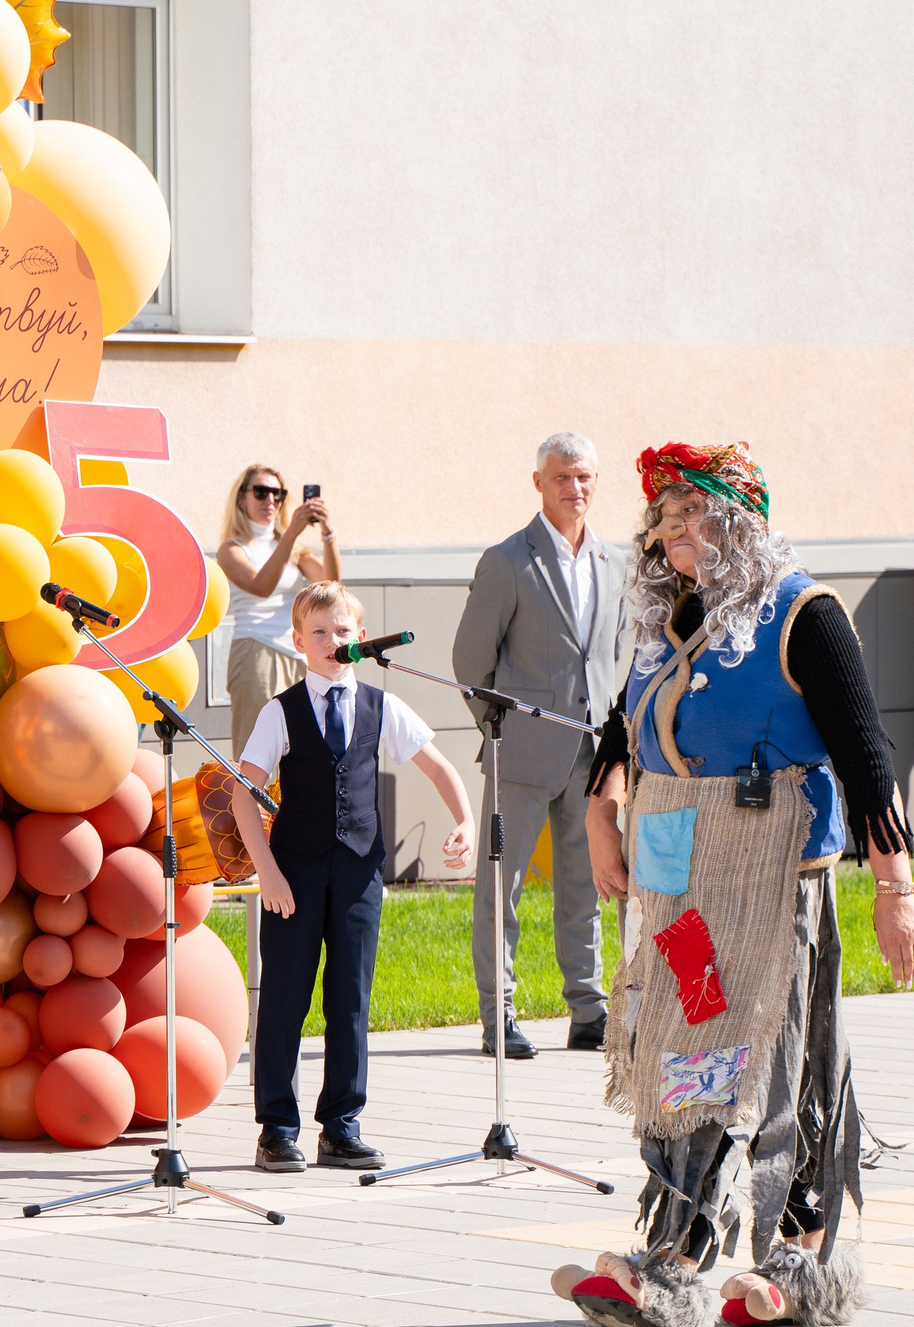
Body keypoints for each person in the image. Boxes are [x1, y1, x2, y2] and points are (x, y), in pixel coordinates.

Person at [553, 441, 914, 1327]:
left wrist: (896, 890)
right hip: (679, 878)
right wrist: (603, 819)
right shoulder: (671, 617)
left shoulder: (805, 614)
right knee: (697, 1039)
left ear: (743, 518)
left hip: (770, 871)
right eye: (664, 517)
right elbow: (623, 728)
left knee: (758, 1050)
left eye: (694, 512)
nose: (674, 531)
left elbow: (867, 758)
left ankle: (688, 1264)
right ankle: (777, 1259)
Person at [237, 582, 474, 1175]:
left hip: (358, 874)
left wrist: (466, 819)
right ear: (297, 642)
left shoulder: (381, 706)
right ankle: (277, 1129)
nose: (332, 641)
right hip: (292, 874)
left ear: (360, 640)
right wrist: (267, 872)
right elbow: (245, 796)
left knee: (350, 1000)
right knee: (286, 999)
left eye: (343, 631)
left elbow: (438, 764)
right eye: (319, 632)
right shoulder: (280, 711)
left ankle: (341, 1125)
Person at [453, 432, 627, 1059]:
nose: (574, 489)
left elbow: (609, 656)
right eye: (561, 478)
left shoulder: (614, 563)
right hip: (521, 752)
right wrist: (498, 731)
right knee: (504, 887)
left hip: (594, 756)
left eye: (584, 477)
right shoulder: (507, 561)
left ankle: (589, 1010)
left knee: (589, 882)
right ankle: (498, 1015)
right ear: (538, 483)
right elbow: (470, 662)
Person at [215, 463, 337, 743]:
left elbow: (330, 583)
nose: (270, 500)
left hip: (298, 653)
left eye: (278, 494)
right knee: (257, 747)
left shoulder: (291, 547)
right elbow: (261, 586)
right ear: (241, 499)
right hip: (256, 649)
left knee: (299, 750)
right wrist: (292, 533)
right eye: (261, 492)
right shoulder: (232, 548)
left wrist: (328, 533)